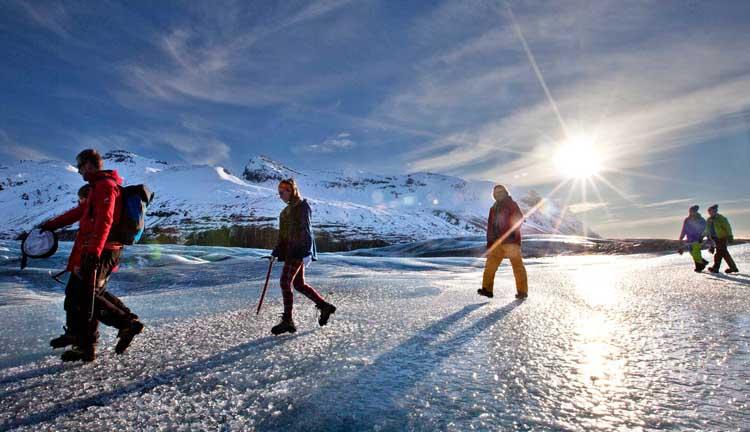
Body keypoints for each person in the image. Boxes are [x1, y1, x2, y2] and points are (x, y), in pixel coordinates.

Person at [41, 149, 143, 362]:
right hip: (97, 249)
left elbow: (105, 220)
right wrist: (49, 226)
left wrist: (94, 251)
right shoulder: (97, 187)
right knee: (84, 294)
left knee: (86, 296)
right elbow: (78, 213)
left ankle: (125, 324)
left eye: (79, 167)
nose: (78, 171)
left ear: (88, 164)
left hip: (102, 250)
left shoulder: (105, 186)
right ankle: (84, 343)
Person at [269, 178, 336, 335]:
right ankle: (325, 307)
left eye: (282, 192)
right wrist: (275, 253)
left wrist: (307, 252)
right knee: (298, 284)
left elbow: (306, 230)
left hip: (298, 251)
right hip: (290, 252)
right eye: (278, 193)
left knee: (285, 282)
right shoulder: (284, 213)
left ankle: (288, 321)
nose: (280, 196)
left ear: (291, 191)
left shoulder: (302, 206)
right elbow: (282, 237)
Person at [479, 184, 528, 300]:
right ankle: (487, 290)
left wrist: (511, 233)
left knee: (517, 267)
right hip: (496, 243)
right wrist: (489, 243)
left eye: (501, 192)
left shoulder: (511, 204)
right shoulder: (493, 208)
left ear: (506, 192)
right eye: (496, 192)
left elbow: (519, 219)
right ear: (494, 195)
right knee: (490, 266)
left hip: (511, 242)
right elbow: (490, 226)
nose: (498, 194)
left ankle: (522, 292)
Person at [704, 204, 739, 274]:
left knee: (720, 253)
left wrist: (730, 236)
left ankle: (717, 268)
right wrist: (702, 236)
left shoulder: (721, 218)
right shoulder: (709, 220)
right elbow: (707, 229)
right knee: (722, 253)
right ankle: (732, 268)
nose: (710, 213)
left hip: (722, 237)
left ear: (715, 211)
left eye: (711, 211)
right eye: (709, 212)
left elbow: (727, 227)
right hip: (714, 239)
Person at [678, 205, 709, 272]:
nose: (691, 212)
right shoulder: (687, 220)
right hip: (689, 239)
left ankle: (699, 267)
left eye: (692, 211)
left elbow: (706, 229)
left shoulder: (701, 220)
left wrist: (702, 236)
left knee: (696, 252)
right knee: (692, 253)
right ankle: (703, 262)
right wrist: (681, 237)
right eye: (690, 211)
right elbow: (684, 229)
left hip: (697, 238)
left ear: (695, 211)